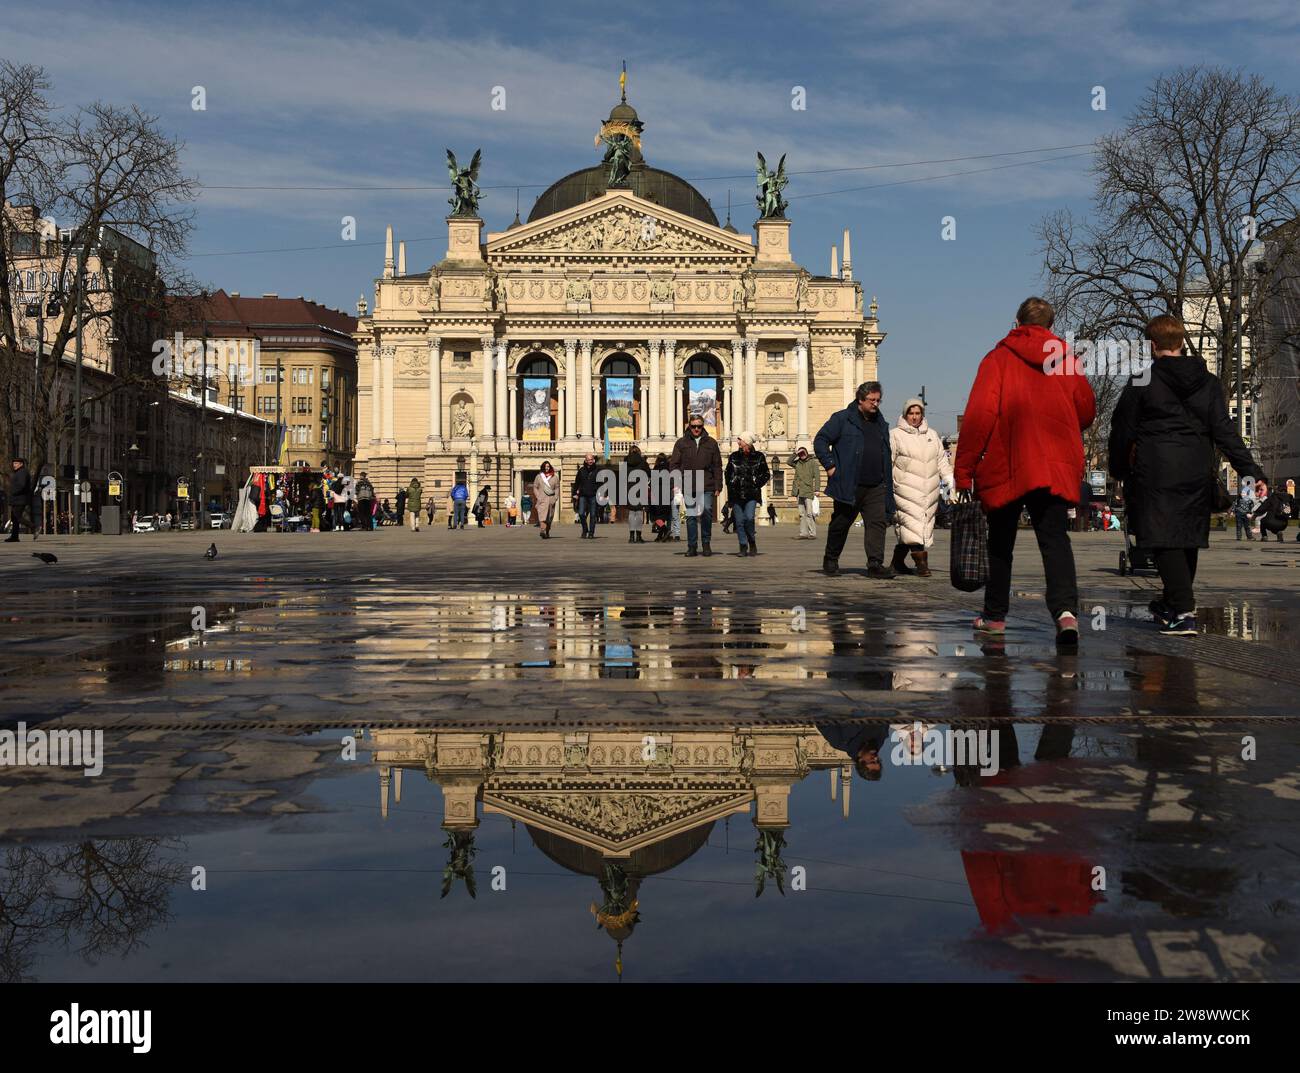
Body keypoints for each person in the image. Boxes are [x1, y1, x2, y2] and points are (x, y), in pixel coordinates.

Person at [1110, 314, 1263, 635]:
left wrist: (1119, 470)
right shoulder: (1208, 383)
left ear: (1152, 346)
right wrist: (1250, 470)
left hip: (1156, 472)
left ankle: (1183, 609)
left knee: (1162, 539)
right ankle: (1170, 602)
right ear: (1181, 343)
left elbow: (1122, 430)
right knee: (1187, 537)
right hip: (1196, 470)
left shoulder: (1141, 380)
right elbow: (1224, 430)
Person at [955, 297, 1096, 643]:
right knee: (1055, 540)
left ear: (1016, 323)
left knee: (1001, 542)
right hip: (1053, 464)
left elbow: (979, 416)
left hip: (1009, 463)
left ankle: (995, 616)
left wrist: (965, 469)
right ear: (1050, 325)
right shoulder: (1065, 359)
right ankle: (1065, 615)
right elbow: (1087, 410)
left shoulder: (998, 358)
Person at [814, 381, 898, 579]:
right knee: (841, 523)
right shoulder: (843, 419)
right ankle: (831, 558)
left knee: (877, 523)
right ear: (860, 399)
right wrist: (830, 466)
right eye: (872, 400)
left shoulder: (881, 423)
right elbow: (820, 440)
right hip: (850, 483)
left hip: (876, 484)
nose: (876, 404)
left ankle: (875, 564)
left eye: (878, 400)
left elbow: (885, 453)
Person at [889, 397, 953, 577]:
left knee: (916, 528)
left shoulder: (932, 435)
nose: (915, 417)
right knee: (913, 525)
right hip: (905, 489)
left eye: (918, 413)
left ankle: (897, 563)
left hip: (929, 491)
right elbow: (888, 462)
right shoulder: (895, 435)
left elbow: (941, 461)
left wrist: (949, 480)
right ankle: (922, 564)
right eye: (911, 413)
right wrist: (889, 486)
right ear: (905, 414)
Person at [669, 413, 724, 557]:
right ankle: (692, 546)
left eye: (699, 426)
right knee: (691, 516)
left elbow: (717, 465)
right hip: (688, 483)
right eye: (694, 426)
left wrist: (718, 485)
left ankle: (706, 543)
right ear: (689, 426)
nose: (696, 429)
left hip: (707, 482)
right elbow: (674, 464)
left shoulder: (711, 443)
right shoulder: (681, 443)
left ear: (703, 426)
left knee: (706, 511)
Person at [724, 431, 770, 556]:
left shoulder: (759, 456)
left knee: (749, 518)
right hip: (736, 493)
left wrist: (756, 483)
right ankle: (743, 545)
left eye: (740, 440)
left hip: (751, 493)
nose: (738, 442)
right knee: (739, 521)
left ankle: (752, 541)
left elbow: (766, 474)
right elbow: (728, 473)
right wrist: (731, 484)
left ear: (747, 442)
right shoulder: (733, 456)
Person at [789, 443, 820, 539]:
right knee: (802, 514)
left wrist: (817, 489)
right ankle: (803, 533)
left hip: (808, 491)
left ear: (806, 453)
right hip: (798, 491)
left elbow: (817, 476)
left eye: (803, 453)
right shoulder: (797, 463)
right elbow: (789, 462)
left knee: (809, 513)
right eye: (800, 454)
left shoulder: (813, 463)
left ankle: (812, 533)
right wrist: (795, 453)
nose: (802, 455)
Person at [5, 457, 38, 542]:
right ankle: (14, 537)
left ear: (21, 464)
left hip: (20, 499)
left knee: (17, 517)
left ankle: (33, 527)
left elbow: (22, 485)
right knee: (14, 518)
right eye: (13, 463)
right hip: (17, 499)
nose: (14, 465)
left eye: (16, 463)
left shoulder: (22, 472)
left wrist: (13, 492)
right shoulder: (19, 472)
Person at [571, 453, 601, 539]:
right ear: (585, 460)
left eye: (591, 459)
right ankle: (585, 529)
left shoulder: (597, 470)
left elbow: (601, 483)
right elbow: (577, 483)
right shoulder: (581, 470)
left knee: (593, 515)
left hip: (593, 495)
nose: (590, 461)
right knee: (580, 513)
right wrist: (574, 494)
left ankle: (591, 533)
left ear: (593, 460)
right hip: (583, 495)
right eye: (588, 460)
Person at [624, 444, 650, 543]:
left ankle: (631, 536)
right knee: (639, 512)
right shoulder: (643, 462)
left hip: (629, 488)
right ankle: (638, 536)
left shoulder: (625, 462)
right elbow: (649, 474)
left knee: (631, 512)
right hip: (640, 488)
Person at [533, 460, 559, 538]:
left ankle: (547, 531)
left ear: (550, 467)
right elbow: (535, 487)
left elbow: (557, 488)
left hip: (551, 500)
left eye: (548, 466)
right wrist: (538, 496)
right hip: (542, 500)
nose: (546, 468)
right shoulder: (539, 476)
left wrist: (555, 498)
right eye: (545, 467)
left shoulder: (555, 477)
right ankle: (542, 530)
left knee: (549, 517)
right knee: (542, 516)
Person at [649, 453, 672, 541]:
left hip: (657, 495)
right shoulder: (668, 469)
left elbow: (652, 484)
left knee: (655, 517)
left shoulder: (656, 469)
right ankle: (660, 536)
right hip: (666, 495)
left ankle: (665, 530)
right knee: (662, 516)